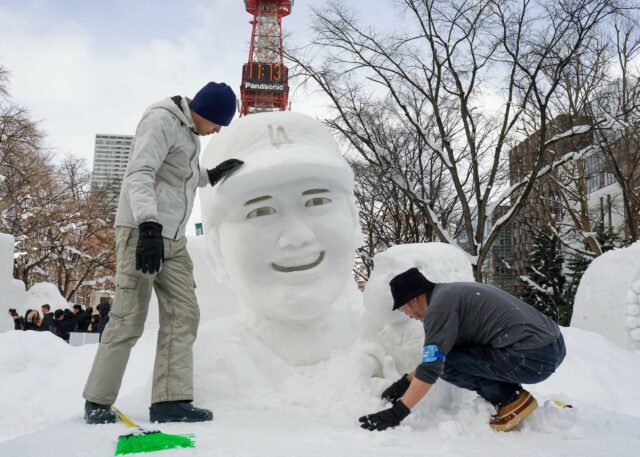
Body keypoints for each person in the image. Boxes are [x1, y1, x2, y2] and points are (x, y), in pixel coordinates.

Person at [82, 82, 243, 425]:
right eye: (217, 124)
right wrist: (149, 227)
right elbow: (139, 174)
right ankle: (97, 400)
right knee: (128, 319)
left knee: (185, 313)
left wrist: (208, 175)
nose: (216, 132)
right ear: (204, 113)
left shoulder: (190, 134)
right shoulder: (161, 120)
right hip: (143, 232)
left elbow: (177, 175)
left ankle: (170, 401)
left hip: (174, 239)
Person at [199, 111, 363, 366]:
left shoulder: (404, 344)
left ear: (354, 220)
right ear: (215, 249)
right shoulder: (201, 369)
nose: (298, 237)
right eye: (260, 211)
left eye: (317, 201)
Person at [359, 268, 566, 432]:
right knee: (452, 355)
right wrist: (404, 383)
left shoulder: (439, 309)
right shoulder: (449, 294)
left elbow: (433, 366)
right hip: (549, 345)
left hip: (531, 355)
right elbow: (437, 356)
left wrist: (397, 412)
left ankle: (510, 400)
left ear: (413, 299)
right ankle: (511, 395)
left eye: (402, 308)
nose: (406, 314)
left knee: (447, 365)